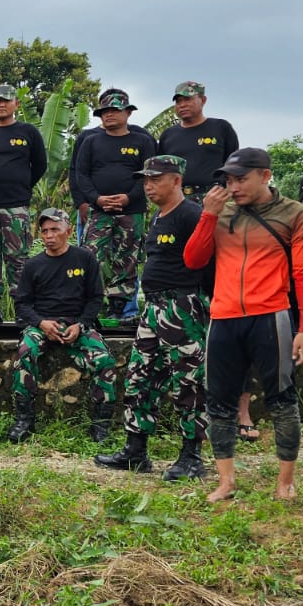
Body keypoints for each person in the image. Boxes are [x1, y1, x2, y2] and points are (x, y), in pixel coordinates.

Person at [184, 148, 303, 502]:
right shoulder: (221, 212)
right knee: (219, 401)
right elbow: (193, 260)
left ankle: (285, 481)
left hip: (271, 315)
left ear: (265, 176)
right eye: (229, 180)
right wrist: (208, 216)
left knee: (282, 399)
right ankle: (226, 481)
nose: (234, 187)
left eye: (241, 179)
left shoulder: (294, 214)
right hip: (224, 317)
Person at [94, 156, 210, 480]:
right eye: (145, 180)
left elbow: (208, 261)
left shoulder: (191, 214)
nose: (148, 186)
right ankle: (135, 451)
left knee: (188, 381)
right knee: (139, 377)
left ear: (177, 180)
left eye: (155, 179)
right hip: (154, 308)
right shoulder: (158, 216)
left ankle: (191, 456)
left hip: (182, 308)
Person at [7, 209, 118, 443]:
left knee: (105, 360)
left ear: (68, 231)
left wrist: (81, 325)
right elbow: (22, 304)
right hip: (43, 324)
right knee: (24, 353)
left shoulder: (85, 258)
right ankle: (24, 420)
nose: (49, 235)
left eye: (55, 230)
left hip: (77, 323)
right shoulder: (33, 265)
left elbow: (95, 298)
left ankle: (101, 425)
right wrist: (41, 323)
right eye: (45, 231)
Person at [75, 90, 156, 319]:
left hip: (132, 210)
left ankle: (119, 308)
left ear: (128, 113)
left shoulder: (143, 141)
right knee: (91, 257)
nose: (109, 115)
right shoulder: (90, 141)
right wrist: (96, 199)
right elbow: (81, 174)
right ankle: (88, 307)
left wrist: (129, 197)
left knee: (127, 258)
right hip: (99, 211)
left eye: (115, 110)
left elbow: (149, 175)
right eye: (105, 111)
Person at [0, 84, 47, 316]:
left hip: (16, 205)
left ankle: (22, 306)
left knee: (18, 257)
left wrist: (21, 185)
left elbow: (40, 165)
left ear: (16, 104)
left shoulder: (28, 132)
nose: (1, 105)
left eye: (6, 100)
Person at [157, 81, 240, 204]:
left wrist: (226, 189)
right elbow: (162, 170)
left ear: (203, 100)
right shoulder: (168, 135)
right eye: (178, 101)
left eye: (188, 99)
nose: (182, 105)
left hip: (214, 196)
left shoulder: (221, 127)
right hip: (178, 199)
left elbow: (233, 163)